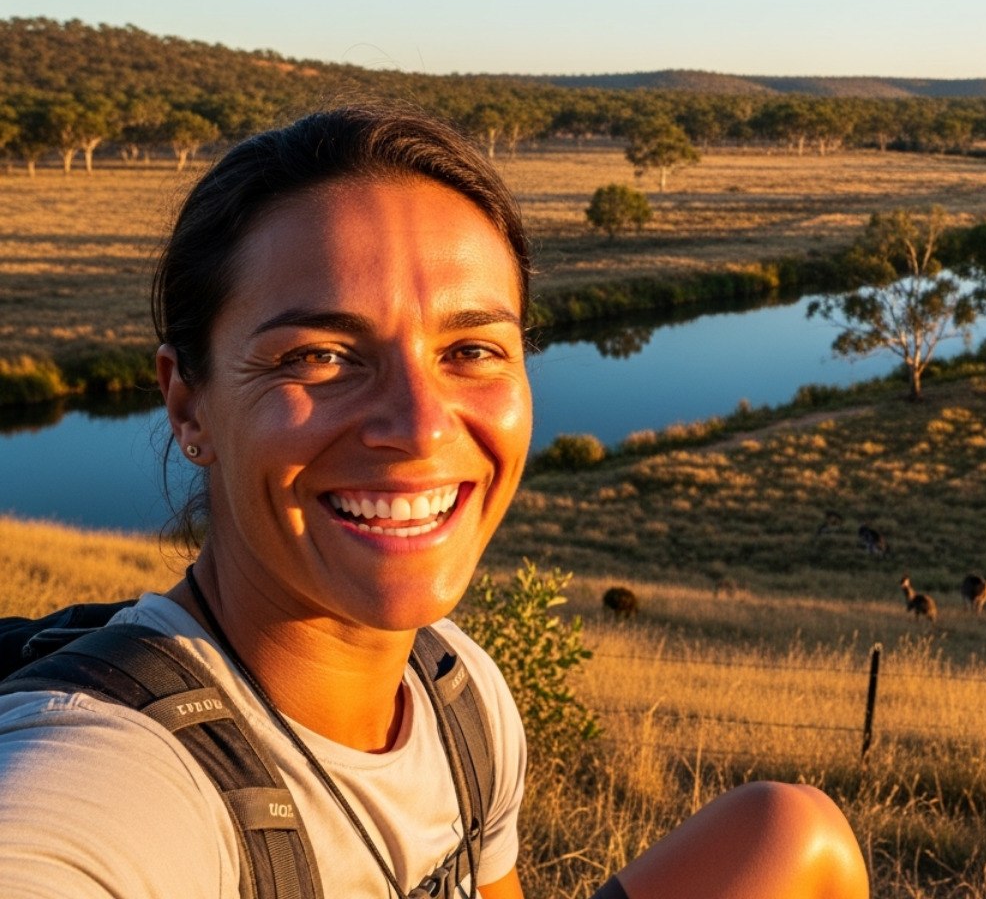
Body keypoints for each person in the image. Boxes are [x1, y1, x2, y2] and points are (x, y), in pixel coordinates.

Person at [0, 105, 869, 899]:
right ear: (188, 403)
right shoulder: (115, 777)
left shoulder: (457, 693)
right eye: (318, 357)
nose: (419, 427)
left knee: (793, 835)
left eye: (474, 349)